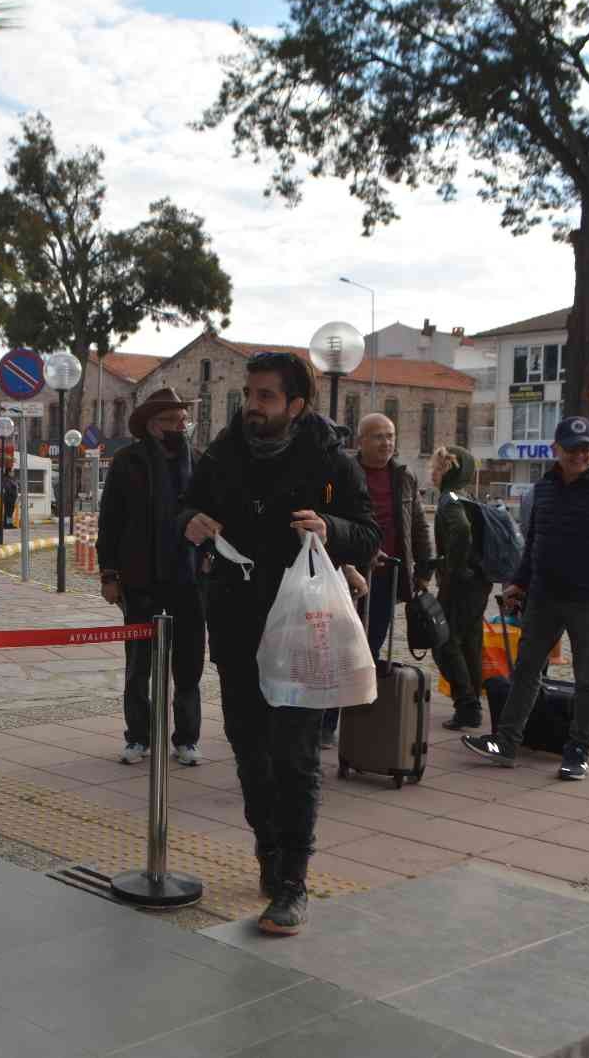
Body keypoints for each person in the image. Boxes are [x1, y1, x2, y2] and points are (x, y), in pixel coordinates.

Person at [180, 353, 379, 935]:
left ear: (295, 405)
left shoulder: (329, 460)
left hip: (302, 628)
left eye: (265, 396)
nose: (252, 405)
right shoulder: (224, 452)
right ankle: (268, 849)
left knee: (294, 755)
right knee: (248, 747)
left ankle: (294, 880)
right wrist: (191, 520)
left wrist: (329, 529)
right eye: (249, 393)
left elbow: (367, 533)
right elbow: (189, 505)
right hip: (236, 620)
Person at [462, 416, 589, 781]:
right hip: (544, 597)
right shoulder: (544, 489)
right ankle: (506, 742)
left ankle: (579, 749)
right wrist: (518, 582)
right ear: (556, 450)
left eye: (586, 449)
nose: (579, 455)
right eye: (572, 449)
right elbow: (535, 543)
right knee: (525, 672)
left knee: (587, 678)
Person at [96, 388, 205, 767]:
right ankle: (138, 736)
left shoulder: (200, 462)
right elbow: (109, 521)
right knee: (138, 664)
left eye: (183, 420)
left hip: (189, 580)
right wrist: (109, 574)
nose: (180, 426)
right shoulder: (128, 461)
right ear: (152, 425)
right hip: (140, 579)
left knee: (189, 664)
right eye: (172, 420)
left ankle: (187, 739)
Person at [321, 413, 432, 747]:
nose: (386, 443)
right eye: (378, 436)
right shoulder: (344, 473)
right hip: (346, 575)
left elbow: (416, 524)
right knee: (338, 647)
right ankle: (325, 720)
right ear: (361, 441)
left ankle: (354, 718)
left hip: (387, 577)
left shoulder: (403, 476)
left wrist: (424, 569)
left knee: (368, 647)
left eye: (391, 435)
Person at [432, 445, 495, 731]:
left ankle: (466, 703)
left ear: (447, 469)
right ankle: (473, 706)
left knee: (444, 642)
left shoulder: (449, 499)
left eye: (436, 465)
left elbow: (461, 531)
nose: (432, 471)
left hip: (460, 583)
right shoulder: (467, 496)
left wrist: (452, 568)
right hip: (479, 582)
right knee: (469, 642)